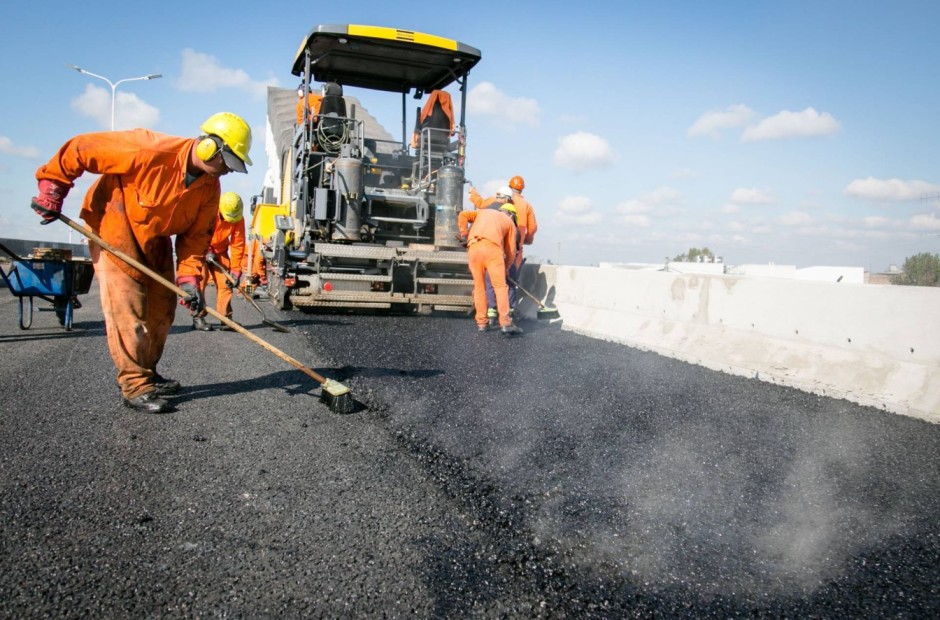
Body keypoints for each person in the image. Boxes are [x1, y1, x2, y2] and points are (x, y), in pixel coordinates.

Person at [31, 112, 253, 414]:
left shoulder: (209, 187)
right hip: (114, 227)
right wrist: (53, 187)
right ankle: (135, 384)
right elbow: (82, 148)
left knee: (163, 309)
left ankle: (148, 370)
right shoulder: (148, 149)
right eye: (227, 162)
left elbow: (196, 237)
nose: (227, 171)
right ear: (208, 147)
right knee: (129, 309)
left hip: (155, 238)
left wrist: (189, 279)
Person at [469, 177, 539, 323]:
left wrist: (473, 193)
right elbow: (532, 229)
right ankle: (510, 311)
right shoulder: (527, 205)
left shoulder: (499, 200)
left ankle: (492, 309)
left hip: (495, 246)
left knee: (490, 279)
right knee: (509, 279)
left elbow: (480, 203)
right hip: (514, 247)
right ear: (522, 189)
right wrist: (526, 240)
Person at [457, 201, 523, 336]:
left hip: (473, 248)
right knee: (500, 286)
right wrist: (507, 267)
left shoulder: (482, 212)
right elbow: (510, 250)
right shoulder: (509, 222)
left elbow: (463, 214)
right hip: (492, 250)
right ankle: (505, 323)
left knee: (479, 287)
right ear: (511, 216)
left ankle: (482, 323)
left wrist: (464, 232)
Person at [191, 192, 247, 331]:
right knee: (200, 284)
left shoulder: (238, 218)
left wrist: (235, 270)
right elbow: (199, 232)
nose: (231, 221)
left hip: (220, 252)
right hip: (201, 249)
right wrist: (207, 249)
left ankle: (225, 319)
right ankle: (198, 317)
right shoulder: (209, 210)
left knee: (225, 284)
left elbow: (237, 244)